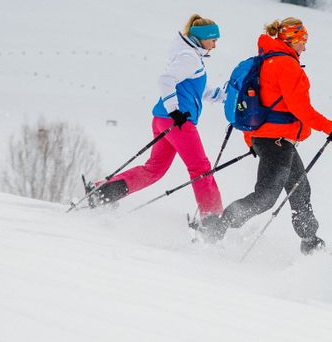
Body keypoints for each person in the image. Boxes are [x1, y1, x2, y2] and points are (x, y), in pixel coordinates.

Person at [89, 14, 228, 233]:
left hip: (163, 120)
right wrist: (175, 110)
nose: (215, 45)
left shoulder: (190, 56)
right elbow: (165, 79)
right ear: (202, 38)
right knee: (200, 168)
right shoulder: (189, 57)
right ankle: (212, 221)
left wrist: (223, 95)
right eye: (213, 39)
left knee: (154, 169)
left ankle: (104, 193)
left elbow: (197, 89)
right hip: (178, 123)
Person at [216, 17, 332, 254]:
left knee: (300, 190)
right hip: (275, 142)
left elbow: (257, 105)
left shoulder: (267, 61)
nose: (305, 47)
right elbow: (300, 108)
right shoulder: (285, 65)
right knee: (265, 197)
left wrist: (252, 140)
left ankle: (311, 243)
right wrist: (329, 127)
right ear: (293, 39)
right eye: (303, 40)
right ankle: (218, 227)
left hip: (275, 140)